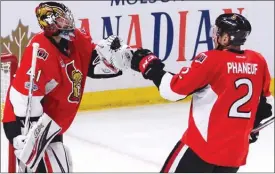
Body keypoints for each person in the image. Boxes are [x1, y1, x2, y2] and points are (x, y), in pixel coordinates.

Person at [113, 13, 273, 172]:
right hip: (234, 155)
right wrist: (251, 126)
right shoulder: (257, 61)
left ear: (225, 38)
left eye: (218, 31)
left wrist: (149, 65)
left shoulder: (212, 60)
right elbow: (266, 106)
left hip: (201, 149)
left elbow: (172, 91)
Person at [2, 1, 128, 172]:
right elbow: (21, 99)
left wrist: (115, 58)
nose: (67, 22)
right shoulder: (40, 54)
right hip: (29, 123)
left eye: (66, 18)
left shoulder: (76, 38)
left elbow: (90, 65)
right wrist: (17, 136)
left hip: (52, 123)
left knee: (61, 165)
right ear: (50, 24)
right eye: (61, 20)